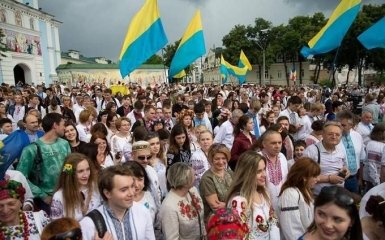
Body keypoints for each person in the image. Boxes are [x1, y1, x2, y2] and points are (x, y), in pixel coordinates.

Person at [80, 165, 155, 240]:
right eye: (124, 190)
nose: (131, 193)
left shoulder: (143, 212)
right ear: (107, 193)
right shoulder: (89, 224)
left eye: (132, 186)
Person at [17, 113, 71, 214]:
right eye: (63, 124)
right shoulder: (31, 149)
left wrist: (69, 183)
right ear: (55, 125)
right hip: (45, 202)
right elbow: (21, 177)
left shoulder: (65, 144)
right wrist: (43, 196)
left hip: (66, 195)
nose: (65, 128)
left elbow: (69, 165)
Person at [226, 151, 280, 239]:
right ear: (247, 173)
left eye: (264, 169)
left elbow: (273, 222)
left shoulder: (264, 193)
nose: (264, 174)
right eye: (259, 171)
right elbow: (240, 235)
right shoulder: (238, 201)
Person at [277, 157, 321, 240]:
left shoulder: (305, 191)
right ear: (304, 177)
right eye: (314, 176)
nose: (318, 179)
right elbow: (291, 228)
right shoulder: (290, 193)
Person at [159, 163, 206, 239]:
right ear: (184, 180)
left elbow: (200, 219)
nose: (195, 177)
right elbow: (172, 238)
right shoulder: (169, 207)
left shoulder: (193, 191)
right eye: (193, 175)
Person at [302, 121, 349, 195]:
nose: (334, 137)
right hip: (317, 197)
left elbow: (345, 166)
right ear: (323, 134)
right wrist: (329, 179)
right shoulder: (311, 151)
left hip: (338, 195)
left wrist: (346, 171)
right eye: (330, 134)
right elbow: (303, 175)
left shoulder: (341, 150)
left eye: (337, 135)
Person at [50, 153, 101, 221]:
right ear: (71, 174)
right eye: (80, 171)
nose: (86, 175)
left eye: (88, 169)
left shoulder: (96, 187)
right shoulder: (59, 196)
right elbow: (56, 226)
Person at [200, 143, 233, 221]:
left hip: (232, 215)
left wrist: (225, 204)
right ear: (211, 159)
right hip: (216, 220)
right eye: (217, 159)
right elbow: (216, 206)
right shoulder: (207, 179)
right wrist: (233, 204)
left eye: (223, 158)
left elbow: (239, 194)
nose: (221, 162)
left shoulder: (230, 173)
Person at [259, 129, 289, 212]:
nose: (277, 146)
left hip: (283, 205)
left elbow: (285, 180)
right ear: (264, 144)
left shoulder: (282, 157)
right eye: (273, 143)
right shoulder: (257, 158)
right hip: (264, 207)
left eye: (279, 143)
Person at [336, 110, 365, 194]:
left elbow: (361, 159)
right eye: (338, 124)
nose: (340, 127)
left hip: (353, 178)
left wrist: (360, 179)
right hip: (337, 179)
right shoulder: (333, 137)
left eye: (343, 125)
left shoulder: (357, 136)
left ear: (351, 125)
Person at [362, 123, 385, 190]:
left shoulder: (371, 143)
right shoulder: (377, 145)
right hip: (377, 179)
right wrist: (378, 182)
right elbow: (373, 165)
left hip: (372, 177)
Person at [145, 132, 167, 199]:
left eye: (157, 143)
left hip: (165, 194)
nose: (156, 146)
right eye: (152, 144)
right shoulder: (145, 162)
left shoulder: (162, 158)